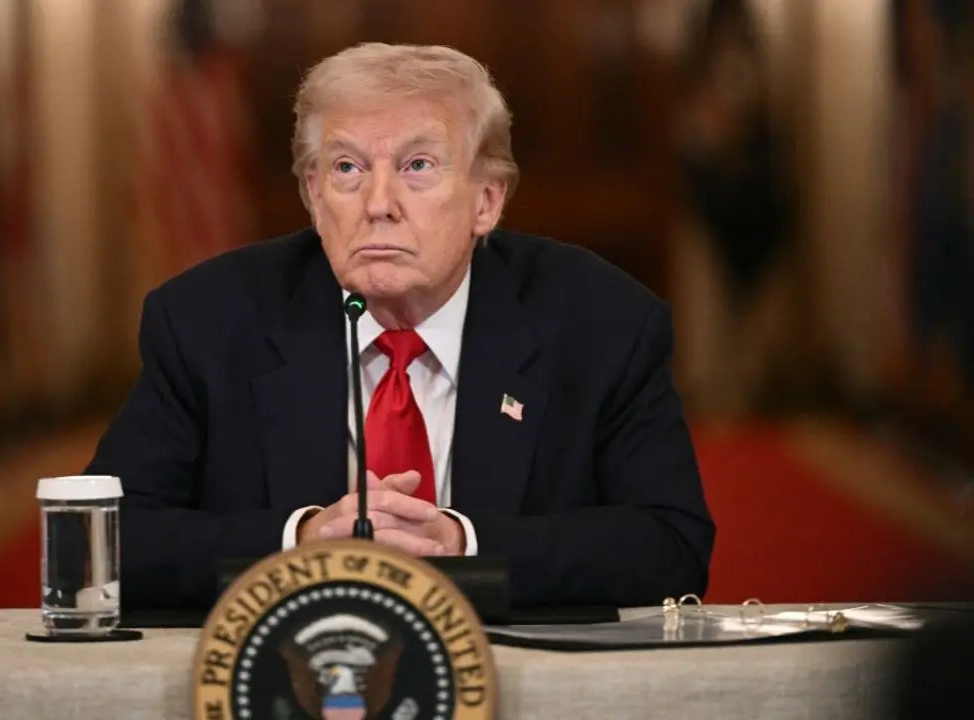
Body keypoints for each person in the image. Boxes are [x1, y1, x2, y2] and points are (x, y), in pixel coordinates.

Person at [85, 42, 715, 612]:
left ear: (486, 201)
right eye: (347, 169)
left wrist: (462, 546)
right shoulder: (208, 321)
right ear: (312, 193)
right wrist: (300, 541)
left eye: (417, 165)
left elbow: (671, 545)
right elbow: (102, 541)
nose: (378, 202)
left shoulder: (602, 323)